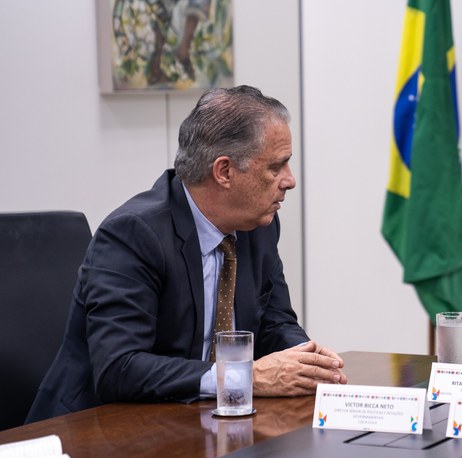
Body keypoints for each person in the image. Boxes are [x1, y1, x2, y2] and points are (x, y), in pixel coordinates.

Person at [26, 85, 347, 422]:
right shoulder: (133, 235)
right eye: (276, 167)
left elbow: (275, 322)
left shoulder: (259, 225)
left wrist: (308, 363)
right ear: (224, 172)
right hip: (94, 430)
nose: (290, 181)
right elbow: (119, 368)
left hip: (196, 421)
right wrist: (243, 376)